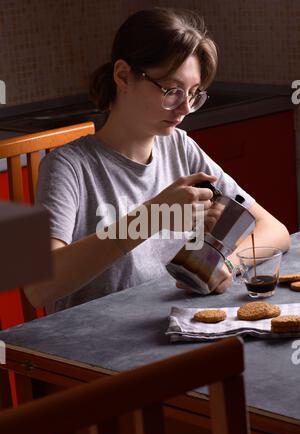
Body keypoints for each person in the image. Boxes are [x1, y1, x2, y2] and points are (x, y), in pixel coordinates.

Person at [24, 7, 290, 313]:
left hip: (170, 329)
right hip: (96, 345)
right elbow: (39, 288)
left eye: (193, 94)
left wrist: (224, 263)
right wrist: (151, 218)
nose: (185, 109)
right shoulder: (68, 166)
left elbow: (274, 229)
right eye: (172, 91)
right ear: (123, 76)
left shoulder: (180, 147)